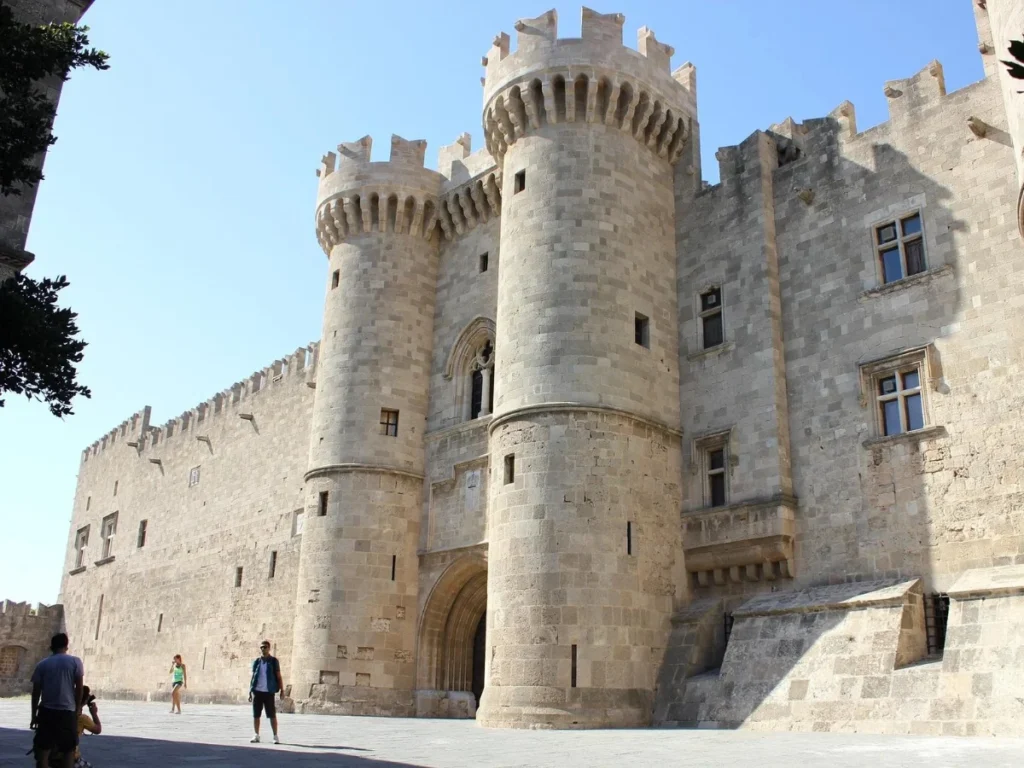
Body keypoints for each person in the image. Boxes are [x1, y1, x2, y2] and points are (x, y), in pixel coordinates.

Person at [30, 633, 84, 768]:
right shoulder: (75, 662)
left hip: (47, 711)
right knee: (68, 751)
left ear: (51, 646)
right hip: (67, 712)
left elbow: (36, 692)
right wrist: (78, 708)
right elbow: (79, 688)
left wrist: (33, 715)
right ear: (66, 645)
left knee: (43, 752)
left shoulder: (42, 664)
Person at [48, 685, 101, 768]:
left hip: (51, 757)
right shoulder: (82, 718)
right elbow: (98, 730)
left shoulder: (60, 712)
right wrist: (94, 714)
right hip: (70, 758)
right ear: (85, 701)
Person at [248, 640, 283, 744]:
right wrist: (250, 690)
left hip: (268, 692)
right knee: (256, 715)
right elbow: (253, 676)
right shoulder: (257, 661)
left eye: (265, 647)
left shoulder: (273, 661)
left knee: (272, 715)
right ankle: (256, 735)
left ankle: (275, 736)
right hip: (257, 691)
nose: (263, 649)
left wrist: (282, 690)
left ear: (269, 648)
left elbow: (278, 676)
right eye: (262, 647)